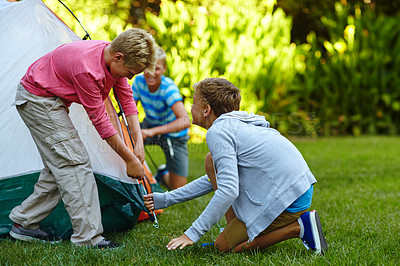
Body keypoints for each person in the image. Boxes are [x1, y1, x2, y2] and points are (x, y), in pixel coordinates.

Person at [9, 28, 157, 249]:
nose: (129, 77)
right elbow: (102, 123)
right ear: (119, 57)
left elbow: (126, 101)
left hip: (50, 100)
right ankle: (88, 238)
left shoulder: (112, 57)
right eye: (130, 72)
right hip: (37, 100)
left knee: (61, 166)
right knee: (74, 163)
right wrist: (130, 160)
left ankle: (24, 223)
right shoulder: (87, 69)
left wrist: (138, 144)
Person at [144, 78, 328, 254]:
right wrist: (166, 199)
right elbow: (213, 180)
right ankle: (235, 232)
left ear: (206, 109)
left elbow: (228, 190)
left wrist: (191, 234)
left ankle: (299, 227)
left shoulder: (218, 131)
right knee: (211, 161)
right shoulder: (235, 125)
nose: (190, 108)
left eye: (193, 103)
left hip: (289, 200)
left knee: (224, 248)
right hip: (298, 189)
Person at [131, 46, 190, 189]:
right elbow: (129, 111)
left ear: (164, 69)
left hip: (174, 134)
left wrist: (152, 132)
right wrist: (132, 132)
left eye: (156, 68)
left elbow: (185, 121)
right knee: (126, 135)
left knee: (178, 188)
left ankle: (163, 173)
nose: (151, 73)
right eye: (148, 67)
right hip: (150, 125)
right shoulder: (139, 82)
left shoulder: (168, 88)